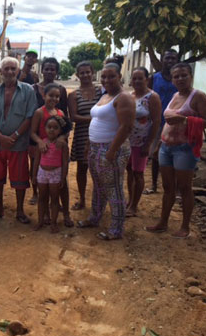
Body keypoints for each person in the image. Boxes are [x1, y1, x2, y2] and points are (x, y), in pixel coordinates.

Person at [146, 63, 206, 238]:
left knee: (184, 188)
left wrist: (184, 119)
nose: (180, 79)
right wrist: (159, 145)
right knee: (168, 187)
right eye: (176, 76)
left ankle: (185, 227)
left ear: (191, 76)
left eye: (184, 75)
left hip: (185, 149)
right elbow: (168, 122)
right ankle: (163, 222)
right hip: (166, 147)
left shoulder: (198, 96)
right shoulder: (175, 94)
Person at [78, 63, 135, 240]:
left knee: (114, 189)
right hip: (96, 148)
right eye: (104, 76)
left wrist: (111, 151)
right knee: (99, 186)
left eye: (111, 76)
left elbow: (126, 127)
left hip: (111, 149)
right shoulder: (106, 95)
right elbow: (97, 121)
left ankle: (117, 229)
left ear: (119, 76)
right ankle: (95, 218)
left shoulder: (124, 97)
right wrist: (89, 144)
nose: (106, 80)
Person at [0, 57, 36, 223]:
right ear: (0, 72)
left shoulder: (28, 90)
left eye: (13, 69)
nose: (10, 72)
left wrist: (14, 136)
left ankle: (20, 211)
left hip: (18, 144)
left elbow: (30, 117)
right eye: (6, 69)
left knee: (20, 179)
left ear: (18, 71)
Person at [31, 83, 73, 227]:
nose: (54, 98)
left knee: (62, 185)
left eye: (57, 96)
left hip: (58, 152)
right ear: (44, 95)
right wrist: (40, 143)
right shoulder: (39, 112)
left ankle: (66, 213)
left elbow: (67, 129)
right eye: (51, 95)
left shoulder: (60, 113)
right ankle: (47, 216)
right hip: (44, 152)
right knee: (45, 189)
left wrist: (63, 137)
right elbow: (32, 132)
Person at [28, 57, 68, 206]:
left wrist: (63, 137)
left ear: (56, 72)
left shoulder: (61, 90)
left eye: (53, 69)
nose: (49, 71)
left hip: (56, 139)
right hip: (37, 136)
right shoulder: (33, 88)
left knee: (58, 165)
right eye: (47, 68)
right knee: (35, 164)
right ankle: (36, 193)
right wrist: (38, 141)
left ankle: (57, 197)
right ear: (42, 70)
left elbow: (65, 116)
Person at [126, 67, 161, 217]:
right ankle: (129, 200)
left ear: (147, 79)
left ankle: (134, 206)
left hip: (141, 142)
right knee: (129, 171)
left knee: (138, 173)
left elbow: (156, 121)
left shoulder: (152, 97)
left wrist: (148, 144)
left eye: (140, 78)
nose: (137, 81)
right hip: (127, 142)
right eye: (134, 78)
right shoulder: (129, 96)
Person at [68, 61, 103, 210]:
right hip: (82, 135)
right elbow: (74, 117)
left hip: (101, 135)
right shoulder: (74, 95)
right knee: (82, 168)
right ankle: (82, 199)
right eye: (82, 73)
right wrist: (96, 118)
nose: (85, 75)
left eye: (88, 72)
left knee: (99, 169)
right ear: (77, 75)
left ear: (93, 72)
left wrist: (96, 119)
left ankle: (99, 201)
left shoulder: (101, 91)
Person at [144, 49, 179, 194]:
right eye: (167, 58)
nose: (170, 61)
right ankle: (153, 185)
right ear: (162, 59)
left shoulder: (179, 78)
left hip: (175, 124)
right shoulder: (154, 78)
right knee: (155, 155)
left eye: (173, 59)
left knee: (176, 155)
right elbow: (147, 98)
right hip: (157, 123)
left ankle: (175, 189)